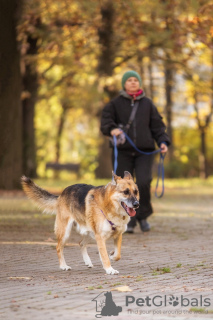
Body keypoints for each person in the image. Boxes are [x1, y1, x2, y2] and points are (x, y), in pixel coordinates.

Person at [100, 70, 170, 233]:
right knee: (121, 188)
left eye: (135, 80)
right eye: (129, 80)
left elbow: (158, 126)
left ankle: (142, 215)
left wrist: (163, 142)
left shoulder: (148, 104)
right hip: (122, 151)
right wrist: (112, 129)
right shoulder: (114, 104)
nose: (133, 82)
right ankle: (127, 220)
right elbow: (106, 121)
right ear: (124, 84)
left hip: (143, 151)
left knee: (143, 182)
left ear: (139, 83)